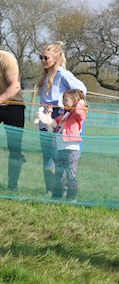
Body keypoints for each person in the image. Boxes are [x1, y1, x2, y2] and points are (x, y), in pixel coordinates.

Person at [37, 42, 87, 196]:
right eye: (41, 57)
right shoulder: (45, 76)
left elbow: (82, 90)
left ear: (56, 59)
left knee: (58, 155)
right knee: (47, 154)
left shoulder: (63, 74)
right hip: (45, 118)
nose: (43, 60)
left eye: (46, 58)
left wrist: (70, 107)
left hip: (59, 118)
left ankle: (62, 187)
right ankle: (50, 189)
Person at [52, 89, 88, 200]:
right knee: (59, 174)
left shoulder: (77, 115)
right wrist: (47, 117)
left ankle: (71, 198)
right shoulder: (64, 115)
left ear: (75, 101)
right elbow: (55, 122)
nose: (63, 102)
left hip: (72, 149)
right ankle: (57, 196)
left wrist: (80, 101)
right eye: (63, 99)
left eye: (66, 99)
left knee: (70, 174)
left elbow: (79, 111)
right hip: (60, 148)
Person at [0, 50, 26, 191]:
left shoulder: (6, 59)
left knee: (14, 148)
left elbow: (15, 86)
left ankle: (13, 186)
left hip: (14, 106)